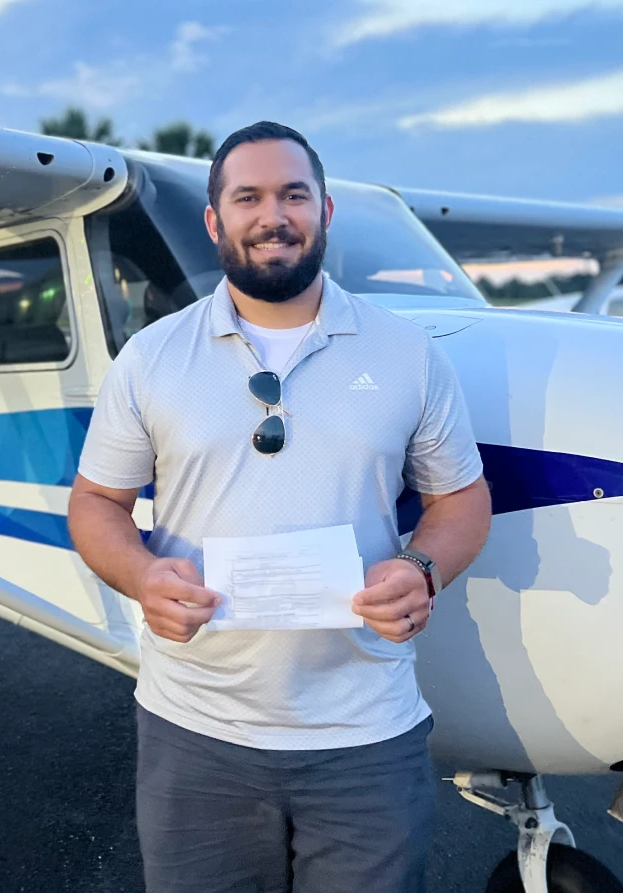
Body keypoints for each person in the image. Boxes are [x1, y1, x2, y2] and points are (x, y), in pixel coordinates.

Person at [66, 121, 493, 893]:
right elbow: (97, 501)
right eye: (249, 197)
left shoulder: (407, 354)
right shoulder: (153, 357)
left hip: (368, 736)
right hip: (196, 731)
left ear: (325, 211)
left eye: (294, 194)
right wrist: (140, 574)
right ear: (214, 221)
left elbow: (461, 498)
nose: (274, 216)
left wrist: (423, 569)